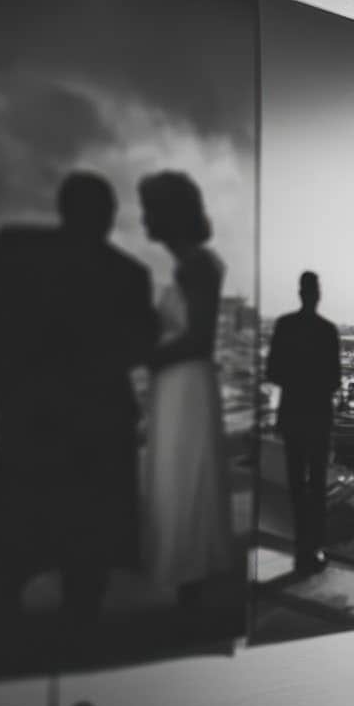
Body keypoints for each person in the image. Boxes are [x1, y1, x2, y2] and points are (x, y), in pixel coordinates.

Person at [0, 173, 156, 627]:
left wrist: (5, 394)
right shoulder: (129, 274)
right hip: (99, 427)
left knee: (15, 541)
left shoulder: (15, 250)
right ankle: (78, 629)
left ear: (63, 207)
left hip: (31, 421)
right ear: (108, 217)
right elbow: (140, 344)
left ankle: (4, 635)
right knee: (88, 549)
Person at [140, 171, 236, 601]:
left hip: (184, 385)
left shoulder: (198, 266)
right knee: (183, 476)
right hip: (180, 386)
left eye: (150, 210)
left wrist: (142, 354)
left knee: (183, 477)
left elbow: (198, 338)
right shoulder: (193, 265)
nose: (144, 220)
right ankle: (189, 580)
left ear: (170, 215)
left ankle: (189, 581)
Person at [266, 271, 340, 574]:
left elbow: (272, 372)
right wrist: (314, 384)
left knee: (296, 485)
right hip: (318, 417)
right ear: (317, 295)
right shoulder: (327, 331)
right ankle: (315, 547)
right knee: (318, 486)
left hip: (293, 416)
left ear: (300, 293)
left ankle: (301, 548)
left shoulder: (285, 326)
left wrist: (296, 381)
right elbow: (334, 380)